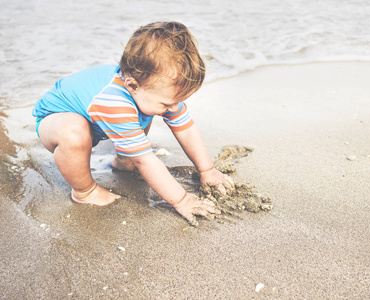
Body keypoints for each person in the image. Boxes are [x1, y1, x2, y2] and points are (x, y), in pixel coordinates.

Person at [32, 21, 234, 226]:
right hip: (54, 121)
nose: (173, 107)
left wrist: (207, 170)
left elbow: (186, 129)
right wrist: (181, 200)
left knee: (146, 110)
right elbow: (144, 160)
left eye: (176, 102)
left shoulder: (150, 91)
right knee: (74, 132)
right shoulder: (114, 100)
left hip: (97, 118)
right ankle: (85, 192)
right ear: (132, 85)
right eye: (167, 103)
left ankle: (122, 160)